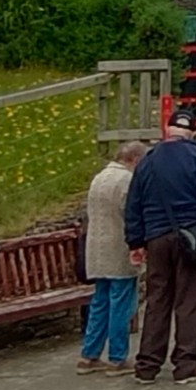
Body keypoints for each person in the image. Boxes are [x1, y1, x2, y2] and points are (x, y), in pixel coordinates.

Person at [126, 109, 196, 384]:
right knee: (189, 302)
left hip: (156, 238)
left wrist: (136, 242)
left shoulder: (147, 162)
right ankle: (185, 366)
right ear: (194, 132)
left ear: (167, 129)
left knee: (157, 301)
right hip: (192, 238)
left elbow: (133, 205)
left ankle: (147, 366)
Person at [77, 141, 146, 374]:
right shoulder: (126, 181)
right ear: (136, 159)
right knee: (122, 304)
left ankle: (89, 355)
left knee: (100, 302)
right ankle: (118, 357)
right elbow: (132, 214)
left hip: (96, 249)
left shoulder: (99, 178)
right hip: (119, 248)